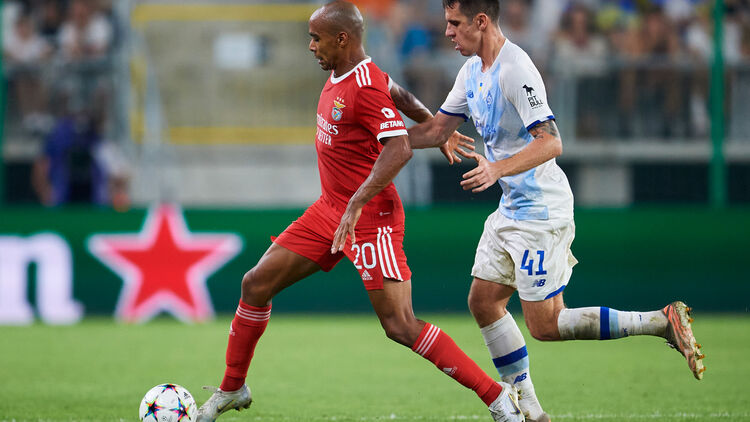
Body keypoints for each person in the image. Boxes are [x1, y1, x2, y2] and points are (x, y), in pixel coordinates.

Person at [196, 2, 525, 422]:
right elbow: (398, 93)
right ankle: (232, 387)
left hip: (370, 217)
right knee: (255, 284)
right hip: (330, 209)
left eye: (316, 38)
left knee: (400, 326)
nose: (310, 46)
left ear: (342, 39)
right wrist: (434, 126)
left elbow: (399, 148)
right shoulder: (355, 74)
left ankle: (497, 398)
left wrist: (356, 203)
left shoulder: (363, 87)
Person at [402, 1, 705, 421]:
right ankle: (531, 412)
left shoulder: (515, 69)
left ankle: (659, 321)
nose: (448, 32)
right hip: (512, 208)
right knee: (484, 302)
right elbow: (438, 129)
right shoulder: (471, 72)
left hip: (541, 212)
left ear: (481, 21)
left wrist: (496, 169)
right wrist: (384, 139)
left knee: (545, 324)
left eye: (455, 23)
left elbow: (551, 142)